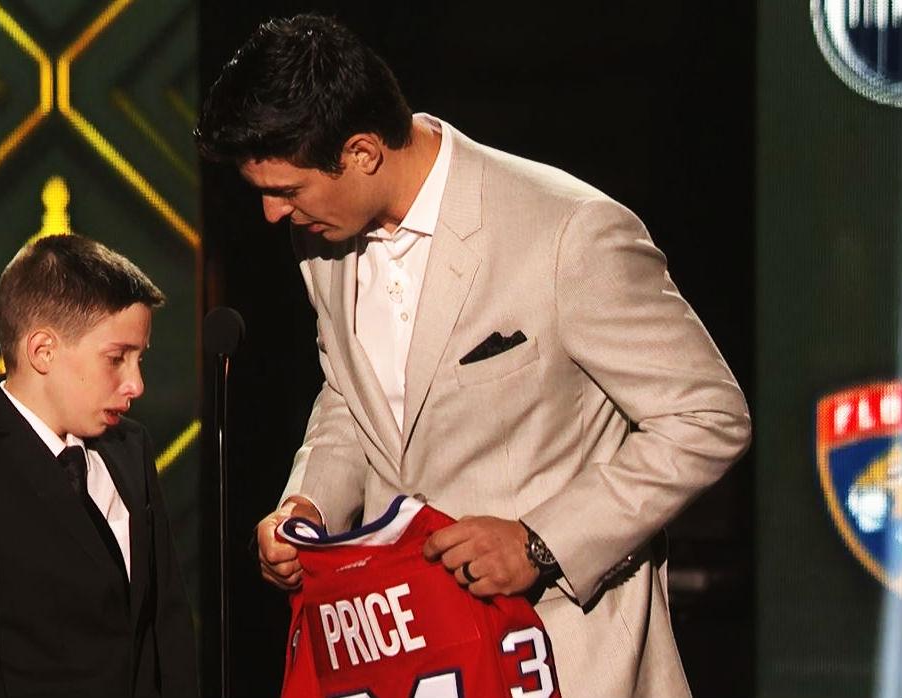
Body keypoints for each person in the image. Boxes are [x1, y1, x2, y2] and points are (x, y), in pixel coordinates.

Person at [195, 14, 750, 698]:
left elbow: (707, 418)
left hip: (564, 658)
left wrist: (539, 542)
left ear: (363, 152)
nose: (273, 215)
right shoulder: (321, 238)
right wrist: (309, 504)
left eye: (286, 191)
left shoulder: (567, 232)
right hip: (410, 662)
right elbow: (352, 395)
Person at [0, 234, 199, 697]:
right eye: (117, 358)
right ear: (42, 351)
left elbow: (167, 628)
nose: (136, 384)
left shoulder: (130, 447)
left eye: (140, 358)